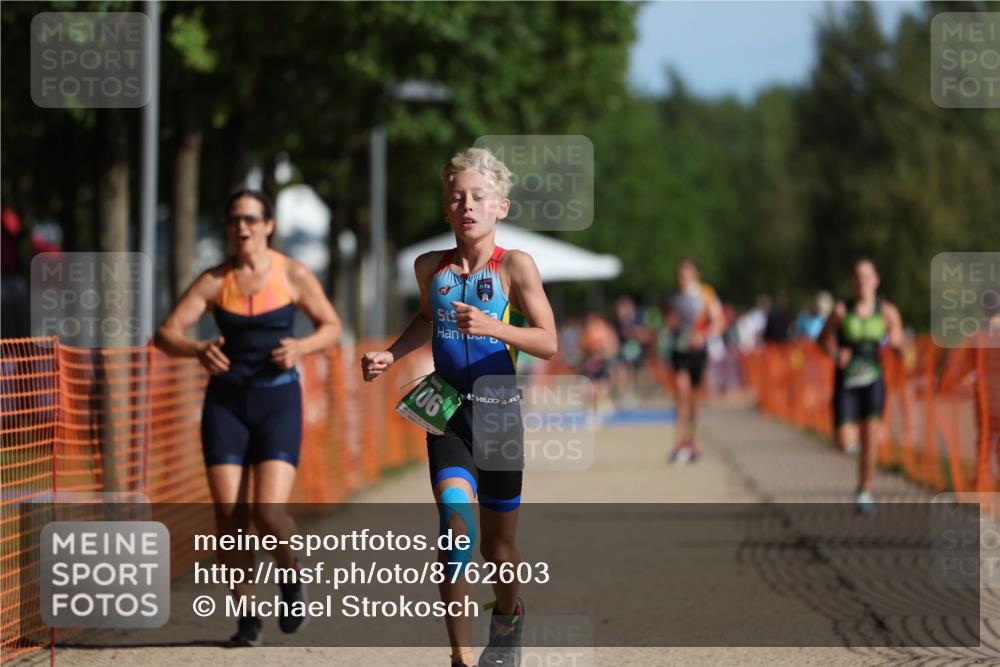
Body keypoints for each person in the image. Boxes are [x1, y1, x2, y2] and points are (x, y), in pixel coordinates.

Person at [361, 148, 557, 667]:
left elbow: (548, 341)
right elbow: (426, 320)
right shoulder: (431, 268)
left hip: (497, 413)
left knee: (499, 550)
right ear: (445, 209)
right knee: (455, 528)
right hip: (445, 409)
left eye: (478, 197)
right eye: (456, 197)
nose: (466, 205)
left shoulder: (516, 266)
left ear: (501, 208)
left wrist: (495, 326)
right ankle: (460, 658)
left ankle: (509, 617)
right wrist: (390, 353)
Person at [154, 190, 342, 645]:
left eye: (252, 219)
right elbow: (165, 334)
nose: (243, 228)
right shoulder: (215, 281)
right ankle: (247, 619)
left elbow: (331, 327)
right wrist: (198, 349)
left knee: (267, 511)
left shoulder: (293, 274)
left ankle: (292, 578)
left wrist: (302, 346)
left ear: (269, 224)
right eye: (235, 219)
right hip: (226, 405)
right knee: (229, 516)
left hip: (278, 402)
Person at [818, 258, 903, 513]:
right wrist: (835, 354)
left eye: (866, 276)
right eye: (857, 276)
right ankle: (865, 458)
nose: (862, 282)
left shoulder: (886, 311)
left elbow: (898, 339)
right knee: (845, 442)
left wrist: (895, 344)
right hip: (847, 382)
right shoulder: (841, 310)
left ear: (876, 280)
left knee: (870, 438)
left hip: (873, 381)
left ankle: (865, 490)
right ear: (851, 281)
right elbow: (822, 339)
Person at [665, 258, 723, 463]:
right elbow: (669, 321)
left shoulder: (706, 294)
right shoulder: (673, 296)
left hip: (698, 352)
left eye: (686, 274)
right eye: (680, 275)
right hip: (679, 351)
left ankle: (693, 441)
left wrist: (703, 335)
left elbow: (719, 321)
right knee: (682, 394)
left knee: (695, 399)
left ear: (695, 275)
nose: (682, 279)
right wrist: (672, 326)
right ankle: (679, 442)